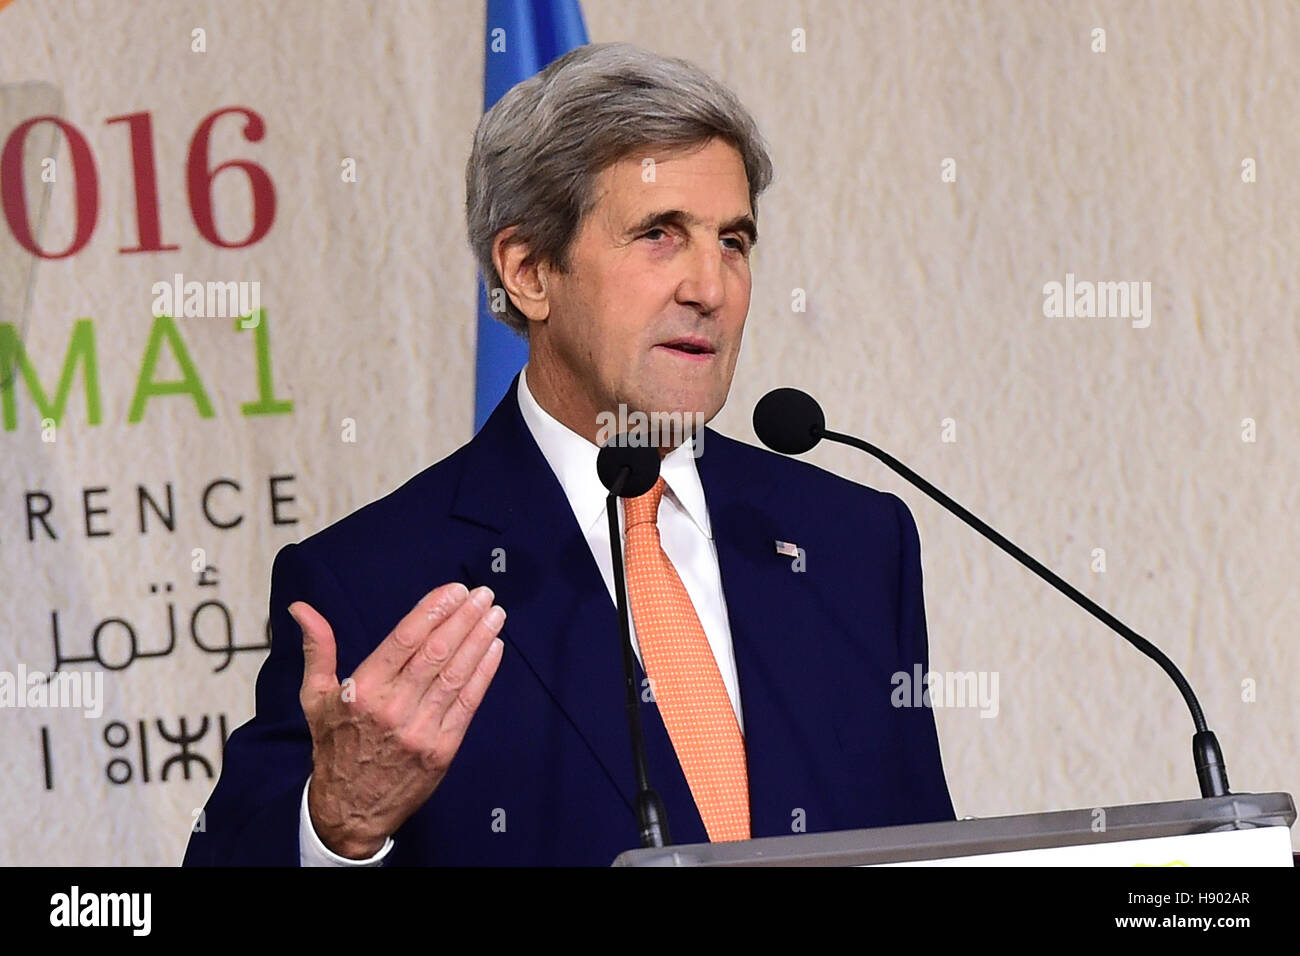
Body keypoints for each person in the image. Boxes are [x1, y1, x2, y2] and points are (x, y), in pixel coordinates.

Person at [183, 41, 954, 867]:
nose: (711, 288)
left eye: (733, 241)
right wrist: (338, 829)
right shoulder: (373, 582)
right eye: (660, 234)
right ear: (527, 271)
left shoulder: (854, 542)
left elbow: (927, 846)